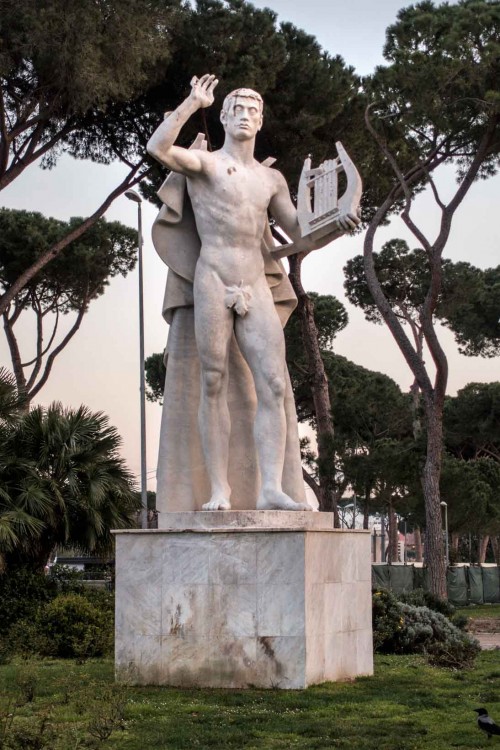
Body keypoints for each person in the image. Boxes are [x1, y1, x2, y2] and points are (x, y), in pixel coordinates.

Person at [147, 74, 359, 512]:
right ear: (224, 117)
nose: (245, 116)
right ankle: (220, 489)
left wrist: (337, 226)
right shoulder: (205, 165)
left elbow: (302, 238)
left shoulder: (272, 179)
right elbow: (159, 150)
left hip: (254, 282)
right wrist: (192, 102)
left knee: (275, 384)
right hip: (213, 276)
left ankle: (269, 489)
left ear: (261, 123)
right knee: (213, 380)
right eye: (236, 110)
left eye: (253, 112)